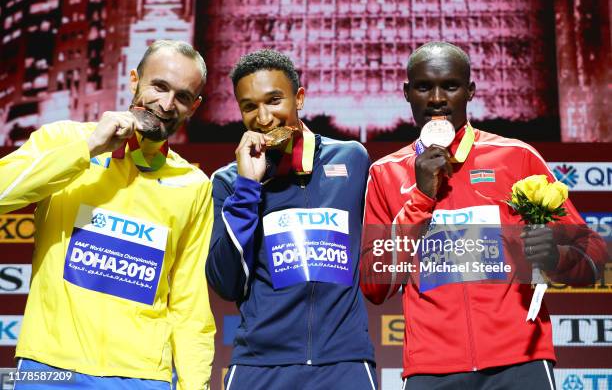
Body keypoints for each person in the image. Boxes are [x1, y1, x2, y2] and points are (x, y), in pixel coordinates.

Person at [360, 41, 607, 389]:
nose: (436, 99)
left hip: (520, 362)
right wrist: (420, 197)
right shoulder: (386, 173)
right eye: (423, 87)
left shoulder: (515, 157)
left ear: (470, 90)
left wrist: (557, 256)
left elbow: (594, 252)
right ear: (406, 92)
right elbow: (374, 284)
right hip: (432, 369)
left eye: (450, 85)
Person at [0, 40, 215, 390]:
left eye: (182, 96)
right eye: (158, 86)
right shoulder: (66, 139)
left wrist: (194, 385)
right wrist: (88, 149)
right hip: (50, 369)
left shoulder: (193, 185)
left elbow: (190, 305)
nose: (166, 104)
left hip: (144, 378)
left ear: (194, 107)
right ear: (134, 80)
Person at [206, 49, 377, 389]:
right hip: (260, 364)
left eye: (274, 100)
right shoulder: (228, 181)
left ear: (299, 99)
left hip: (344, 362)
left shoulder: (352, 159)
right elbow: (226, 284)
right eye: (249, 106)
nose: (264, 117)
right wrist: (247, 187)